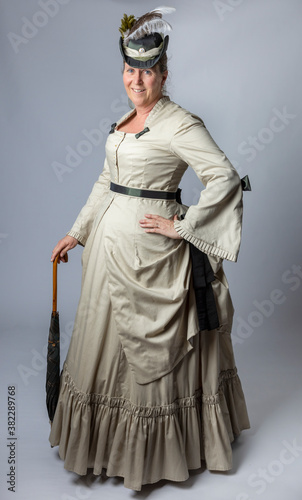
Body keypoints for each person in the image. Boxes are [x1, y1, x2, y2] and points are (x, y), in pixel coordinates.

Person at [49, 7, 250, 492]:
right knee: (104, 346)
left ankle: (152, 457)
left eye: (146, 71)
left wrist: (186, 227)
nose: (136, 80)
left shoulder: (179, 123)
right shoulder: (126, 119)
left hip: (150, 260)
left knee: (149, 357)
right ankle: (104, 446)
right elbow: (108, 180)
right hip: (106, 256)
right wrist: (78, 230)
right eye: (129, 69)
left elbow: (223, 177)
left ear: (164, 72)